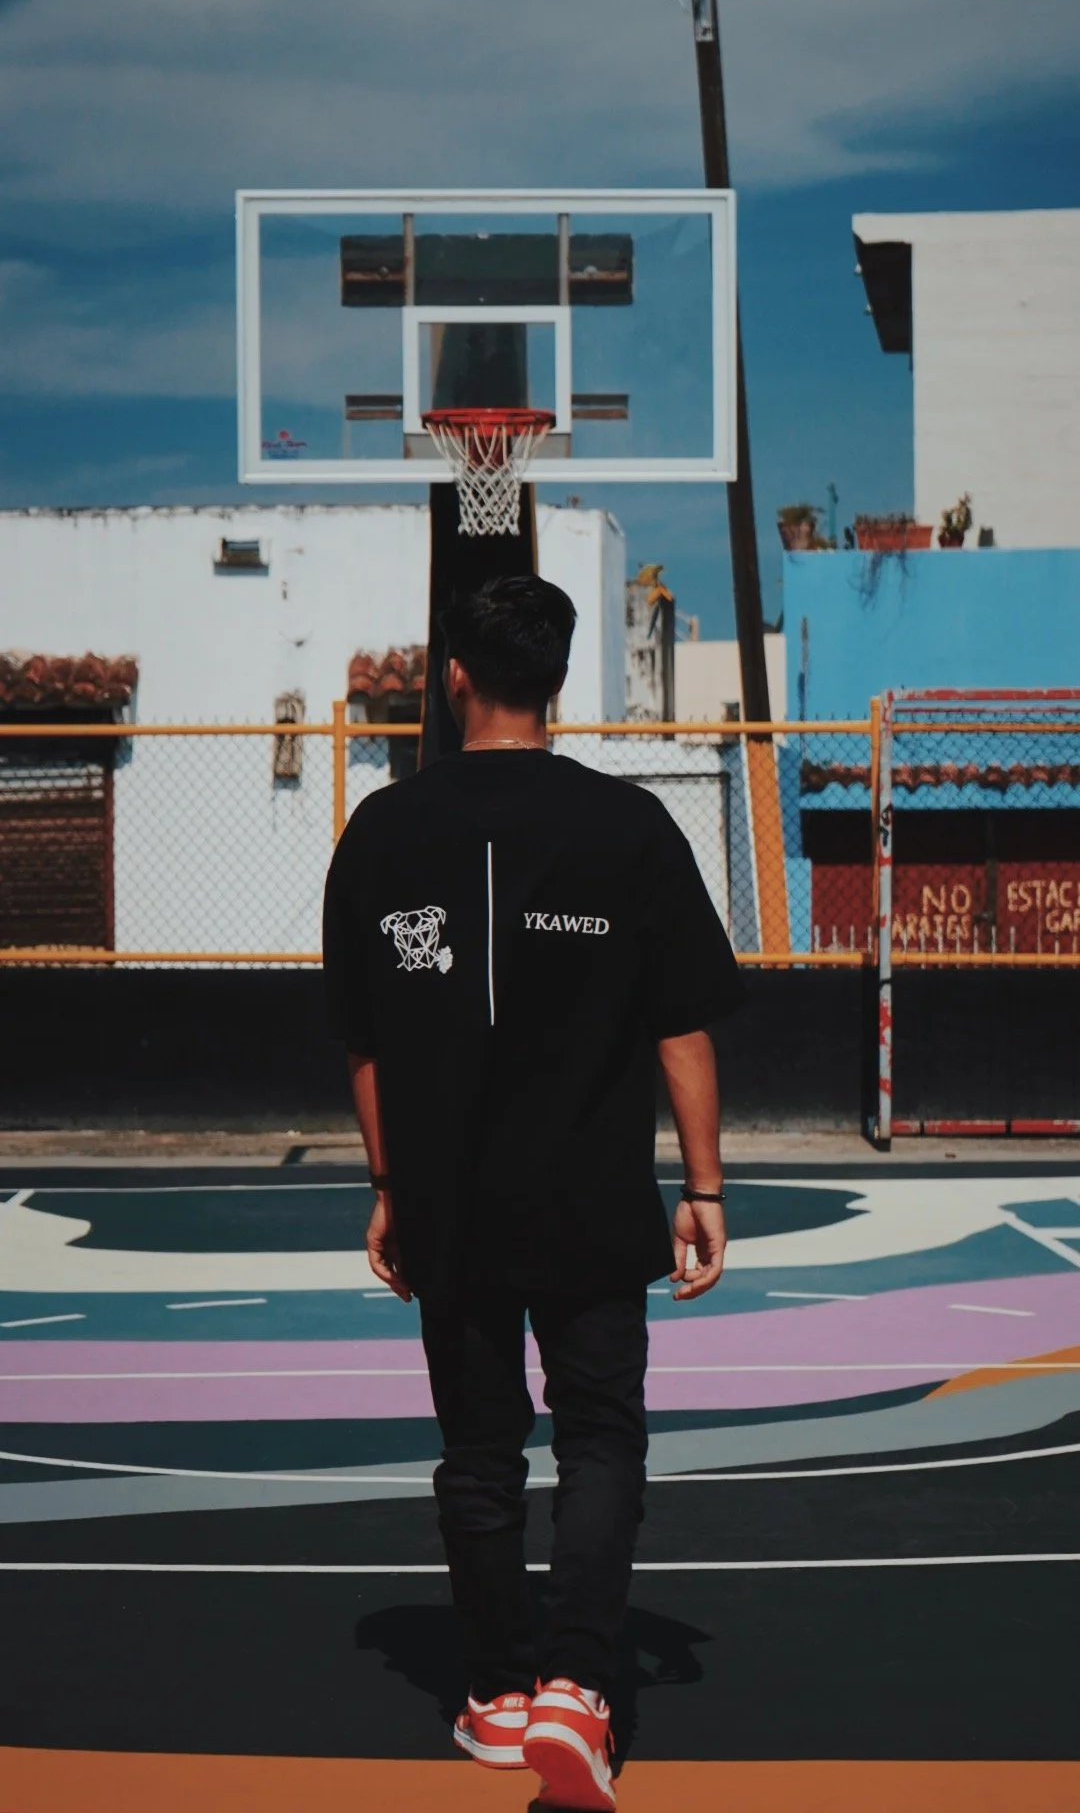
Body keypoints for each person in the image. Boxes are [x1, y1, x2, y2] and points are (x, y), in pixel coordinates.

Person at [322, 575, 743, 1811]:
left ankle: (500, 1694)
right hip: (593, 1199)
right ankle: (578, 1686)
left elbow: (366, 1047)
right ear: (558, 680)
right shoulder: (630, 828)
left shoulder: (381, 833)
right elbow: (684, 1031)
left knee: (479, 1448)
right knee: (602, 1434)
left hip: (451, 1200)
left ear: (454, 674)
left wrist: (391, 1185)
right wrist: (706, 1186)